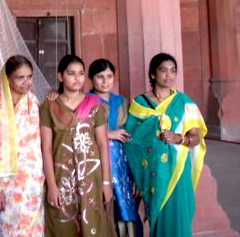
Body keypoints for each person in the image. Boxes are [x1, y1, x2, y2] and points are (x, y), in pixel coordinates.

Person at [124, 53, 207, 237]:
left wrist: (180, 138)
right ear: (153, 75)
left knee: (179, 218)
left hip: (177, 171)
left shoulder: (184, 103)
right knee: (159, 219)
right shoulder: (139, 104)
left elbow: (196, 137)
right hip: (152, 173)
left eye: (173, 71)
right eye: (163, 70)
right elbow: (131, 142)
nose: (169, 76)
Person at [40, 54, 113, 236]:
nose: (77, 78)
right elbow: (46, 149)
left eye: (81, 73)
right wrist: (52, 186)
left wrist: (105, 182)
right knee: (63, 225)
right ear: (60, 76)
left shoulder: (95, 104)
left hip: (91, 177)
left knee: (94, 224)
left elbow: (103, 144)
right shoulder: (49, 106)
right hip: (61, 177)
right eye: (71, 73)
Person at [0, 54, 45, 237]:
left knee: (34, 230)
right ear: (7, 78)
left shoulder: (33, 102)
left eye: (29, 76)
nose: (26, 82)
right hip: (6, 184)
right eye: (20, 77)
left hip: (32, 182)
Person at [88, 59, 142, 237]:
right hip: (96, 166)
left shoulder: (122, 103)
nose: (105, 81)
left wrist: (135, 174)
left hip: (123, 167)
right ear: (91, 79)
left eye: (109, 76)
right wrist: (108, 134)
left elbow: (133, 139)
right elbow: (77, 135)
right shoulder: (85, 102)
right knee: (102, 209)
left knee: (126, 209)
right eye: (100, 77)